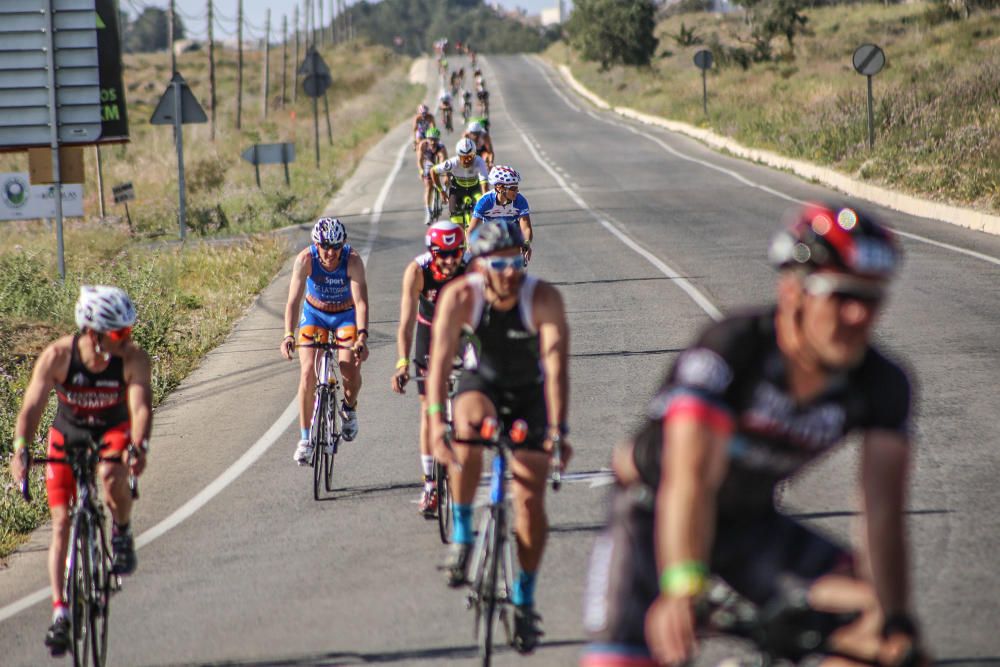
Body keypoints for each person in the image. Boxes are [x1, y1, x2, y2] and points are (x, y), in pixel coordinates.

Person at [581, 201, 928, 667]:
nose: (858, 317)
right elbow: (689, 480)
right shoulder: (732, 349)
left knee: (885, 640)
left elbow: (882, 513)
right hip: (653, 517)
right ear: (793, 291)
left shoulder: (883, 382)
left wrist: (896, 623)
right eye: (842, 296)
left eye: (871, 300)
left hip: (750, 525)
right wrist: (683, 585)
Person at [427, 220, 572, 653]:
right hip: (482, 385)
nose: (509, 273)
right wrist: (437, 422)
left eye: (515, 262)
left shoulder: (542, 298)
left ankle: (525, 600)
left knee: (529, 498)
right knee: (468, 427)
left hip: (529, 393)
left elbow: (557, 369)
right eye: (499, 264)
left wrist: (559, 431)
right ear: (480, 266)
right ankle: (463, 532)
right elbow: (438, 365)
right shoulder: (460, 297)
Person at [10, 285, 152, 656]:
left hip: (112, 429)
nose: (127, 339)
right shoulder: (57, 356)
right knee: (60, 523)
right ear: (93, 332)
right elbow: (30, 409)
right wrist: (21, 450)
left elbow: (139, 410)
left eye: (128, 330)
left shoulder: (133, 357)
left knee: (109, 474)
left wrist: (139, 447)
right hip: (68, 435)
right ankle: (60, 612)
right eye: (119, 333)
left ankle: (121, 530)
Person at [391, 221, 468, 516]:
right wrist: (402, 363)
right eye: (442, 254)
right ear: (432, 252)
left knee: (470, 401)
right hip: (429, 332)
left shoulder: (472, 268)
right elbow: (406, 324)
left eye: (455, 253)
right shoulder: (417, 272)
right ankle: (430, 484)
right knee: (427, 408)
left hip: (462, 332)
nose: (450, 261)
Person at [280, 217, 370, 464]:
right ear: (316, 245)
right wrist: (288, 334)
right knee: (308, 372)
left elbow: (361, 302)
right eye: (325, 247)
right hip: (315, 315)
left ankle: (349, 409)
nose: (330, 253)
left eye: (336, 247)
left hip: (345, 316)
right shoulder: (305, 260)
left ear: (343, 245)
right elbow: (293, 302)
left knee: (348, 369)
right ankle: (306, 439)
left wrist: (362, 335)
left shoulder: (352, 261)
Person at [469, 165, 533, 261]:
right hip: (490, 235)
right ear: (500, 188)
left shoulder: (520, 200)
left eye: (517, 188)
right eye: (513, 188)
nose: (517, 191)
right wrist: (471, 246)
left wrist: (526, 243)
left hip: (512, 236)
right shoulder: (485, 201)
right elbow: (471, 229)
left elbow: (526, 227)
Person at [430, 138, 489, 228]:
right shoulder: (453, 163)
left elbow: (484, 187)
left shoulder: (479, 162)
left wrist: (486, 203)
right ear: (458, 156)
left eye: (470, 157)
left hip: (475, 190)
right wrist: (441, 191)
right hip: (457, 190)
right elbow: (433, 171)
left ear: (474, 155)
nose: (467, 160)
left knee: (480, 215)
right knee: (457, 223)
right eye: (463, 157)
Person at [417, 127, 448, 224]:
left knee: (447, 179)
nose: (433, 142)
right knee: (428, 187)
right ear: (427, 139)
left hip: (439, 164)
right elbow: (420, 160)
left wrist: (444, 175)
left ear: (438, 139)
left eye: (435, 140)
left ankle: (443, 191)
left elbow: (443, 160)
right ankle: (428, 212)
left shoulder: (441, 147)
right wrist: (421, 171)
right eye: (431, 139)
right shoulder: (423, 145)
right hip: (428, 164)